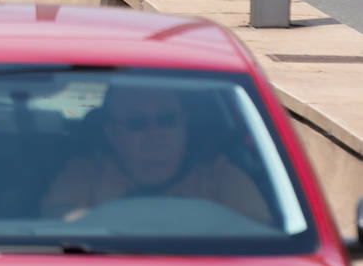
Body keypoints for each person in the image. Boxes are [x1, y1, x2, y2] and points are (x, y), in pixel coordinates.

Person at [39, 84, 271, 225]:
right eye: (137, 123)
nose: (155, 133)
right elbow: (56, 220)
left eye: (167, 120)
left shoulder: (221, 176)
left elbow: (260, 232)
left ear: (184, 123)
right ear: (112, 133)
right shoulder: (87, 173)